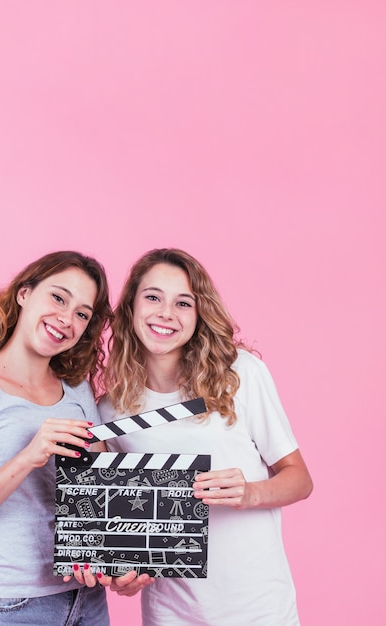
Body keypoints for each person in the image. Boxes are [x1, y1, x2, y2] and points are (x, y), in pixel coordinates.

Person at [98, 248, 313, 626]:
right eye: (152, 297)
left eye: (183, 303)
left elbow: (299, 478)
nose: (165, 313)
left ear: (199, 316)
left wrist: (250, 493)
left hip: (259, 607)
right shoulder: (111, 412)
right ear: (130, 307)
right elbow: (120, 524)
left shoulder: (240, 376)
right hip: (171, 613)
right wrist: (123, 574)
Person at [0, 251, 113, 626]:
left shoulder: (77, 391)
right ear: (24, 293)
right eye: (58, 297)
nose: (67, 318)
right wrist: (28, 456)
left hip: (87, 599)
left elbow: (104, 494)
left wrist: (124, 565)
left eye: (82, 313)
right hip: (11, 606)